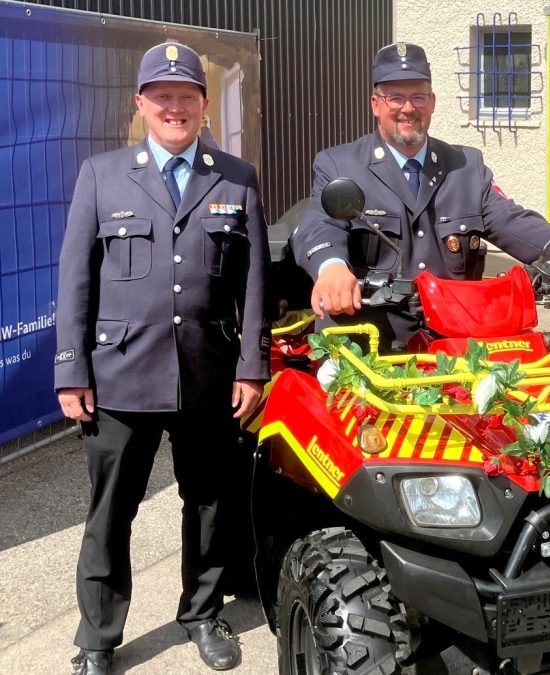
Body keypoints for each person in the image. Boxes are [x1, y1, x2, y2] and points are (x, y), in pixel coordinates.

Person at [54, 42, 269, 675]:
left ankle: (201, 613)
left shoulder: (236, 177)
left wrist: (251, 366)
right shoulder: (102, 174)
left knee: (207, 503)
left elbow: (252, 282)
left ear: (204, 106)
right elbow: (75, 281)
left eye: (188, 96)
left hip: (208, 373)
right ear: (142, 104)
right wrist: (71, 370)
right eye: (163, 96)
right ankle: (97, 639)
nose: (176, 108)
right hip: (118, 376)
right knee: (110, 512)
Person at [293, 42, 550, 349]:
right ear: (375, 104)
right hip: (368, 345)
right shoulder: (340, 164)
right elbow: (319, 225)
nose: (408, 108)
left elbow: (509, 219)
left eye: (418, 96)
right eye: (395, 98)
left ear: (432, 102)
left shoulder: (466, 166)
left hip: (451, 349)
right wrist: (331, 266)